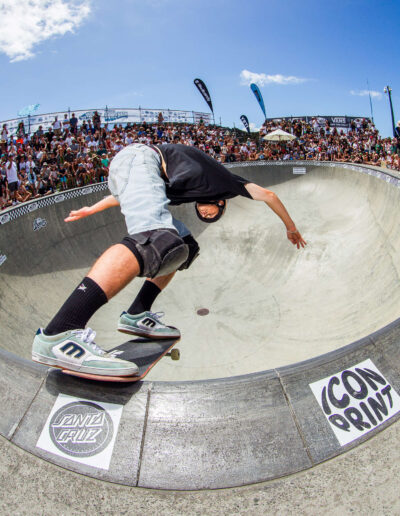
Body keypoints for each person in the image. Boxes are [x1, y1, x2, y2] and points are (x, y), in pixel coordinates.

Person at [32, 143, 306, 377]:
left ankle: (138, 312)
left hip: (137, 169)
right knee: (158, 240)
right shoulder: (226, 182)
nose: (206, 215)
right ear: (221, 202)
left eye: (207, 217)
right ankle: (60, 332)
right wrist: (291, 228)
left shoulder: (181, 189)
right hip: (141, 158)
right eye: (209, 214)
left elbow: (127, 193)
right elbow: (269, 195)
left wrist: (91, 208)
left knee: (184, 247)